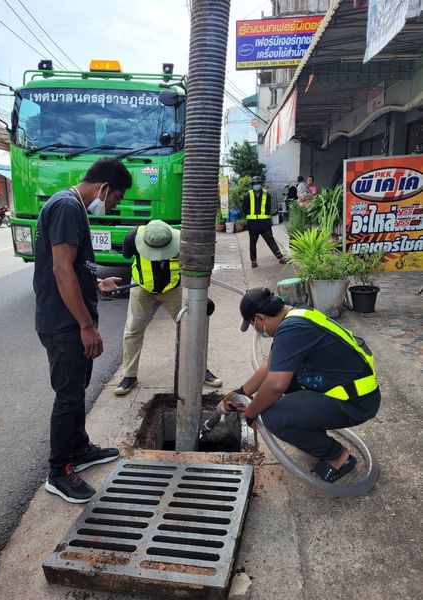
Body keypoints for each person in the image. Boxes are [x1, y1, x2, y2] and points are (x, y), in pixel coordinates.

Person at [34, 158, 133, 503]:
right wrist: (86, 326)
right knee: (69, 396)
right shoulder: (66, 206)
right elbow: (61, 271)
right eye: (115, 199)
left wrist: (96, 282)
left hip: (68, 321)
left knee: (76, 389)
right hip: (64, 325)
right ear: (104, 187)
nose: (112, 206)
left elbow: (73, 267)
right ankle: (59, 471)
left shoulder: (70, 206)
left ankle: (79, 449)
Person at [225, 288, 381, 482]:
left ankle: (338, 456)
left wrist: (251, 412)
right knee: (285, 381)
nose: (255, 329)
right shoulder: (295, 315)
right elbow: (270, 365)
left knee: (272, 416)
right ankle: (315, 436)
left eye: (251, 323)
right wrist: (242, 392)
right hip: (347, 390)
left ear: (259, 318)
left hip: (355, 402)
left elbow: (275, 386)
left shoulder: (292, 329)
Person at [114, 219, 222, 395]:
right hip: (142, 286)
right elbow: (127, 256)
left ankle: (200, 370)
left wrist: (200, 297)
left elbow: (193, 267)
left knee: (191, 327)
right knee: (133, 330)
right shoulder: (131, 238)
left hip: (173, 288)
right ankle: (129, 375)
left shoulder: (183, 241)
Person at [241, 176, 287, 268]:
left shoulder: (266, 195)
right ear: (252, 185)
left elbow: (268, 208)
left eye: (257, 183)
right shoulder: (248, 196)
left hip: (264, 224)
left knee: (271, 240)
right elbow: (244, 209)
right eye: (254, 184)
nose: (256, 185)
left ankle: (280, 257)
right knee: (252, 243)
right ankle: (254, 261)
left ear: (260, 184)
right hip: (253, 224)